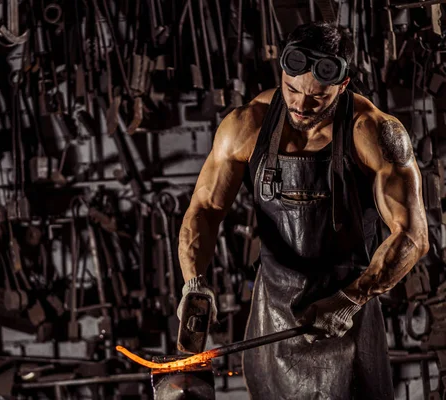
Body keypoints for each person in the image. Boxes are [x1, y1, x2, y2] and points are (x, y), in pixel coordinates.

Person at [176, 21, 429, 399]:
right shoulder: (246, 125)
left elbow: (412, 236)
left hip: (345, 310)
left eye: (317, 97)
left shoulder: (373, 132)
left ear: (342, 85)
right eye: (291, 89)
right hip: (272, 310)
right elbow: (206, 208)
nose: (299, 104)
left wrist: (350, 300)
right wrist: (194, 283)